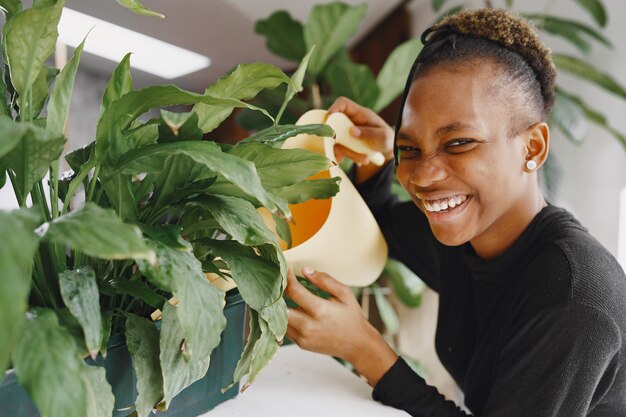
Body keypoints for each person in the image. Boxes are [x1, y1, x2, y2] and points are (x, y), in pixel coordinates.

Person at [284, 8, 626, 416]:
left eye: (459, 143)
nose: (424, 176)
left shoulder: (571, 300)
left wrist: (366, 351)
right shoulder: (469, 235)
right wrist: (375, 159)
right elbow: (386, 228)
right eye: (410, 149)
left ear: (532, 148)